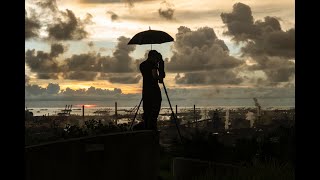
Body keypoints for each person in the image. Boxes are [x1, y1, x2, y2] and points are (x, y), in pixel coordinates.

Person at [139, 50, 165, 130]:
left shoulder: (142, 65)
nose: (157, 59)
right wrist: (161, 67)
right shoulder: (153, 64)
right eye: (156, 58)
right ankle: (152, 130)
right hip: (154, 91)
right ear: (153, 57)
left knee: (147, 111)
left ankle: (146, 131)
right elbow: (155, 76)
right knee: (154, 112)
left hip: (146, 91)